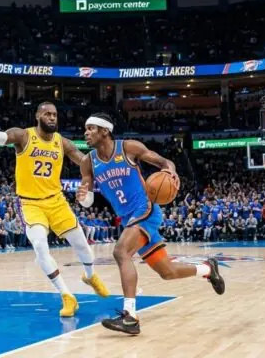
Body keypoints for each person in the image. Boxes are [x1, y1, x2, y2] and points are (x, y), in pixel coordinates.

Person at [0, 102, 109, 318]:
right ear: (38, 116)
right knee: (40, 245)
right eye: (47, 114)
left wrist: (108, 167)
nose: (52, 118)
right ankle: (67, 295)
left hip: (56, 201)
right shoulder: (23, 136)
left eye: (55, 115)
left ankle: (90, 276)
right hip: (30, 203)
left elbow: (84, 161)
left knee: (83, 246)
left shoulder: (63, 142)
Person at [78, 113, 225, 335]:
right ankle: (207, 269)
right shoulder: (88, 161)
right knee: (167, 272)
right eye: (85, 129)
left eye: (91, 129)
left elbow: (164, 162)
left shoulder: (128, 147)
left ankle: (130, 317)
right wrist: (82, 196)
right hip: (128, 220)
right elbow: (87, 199)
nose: (86, 133)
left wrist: (170, 172)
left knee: (120, 252)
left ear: (105, 131)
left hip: (145, 211)